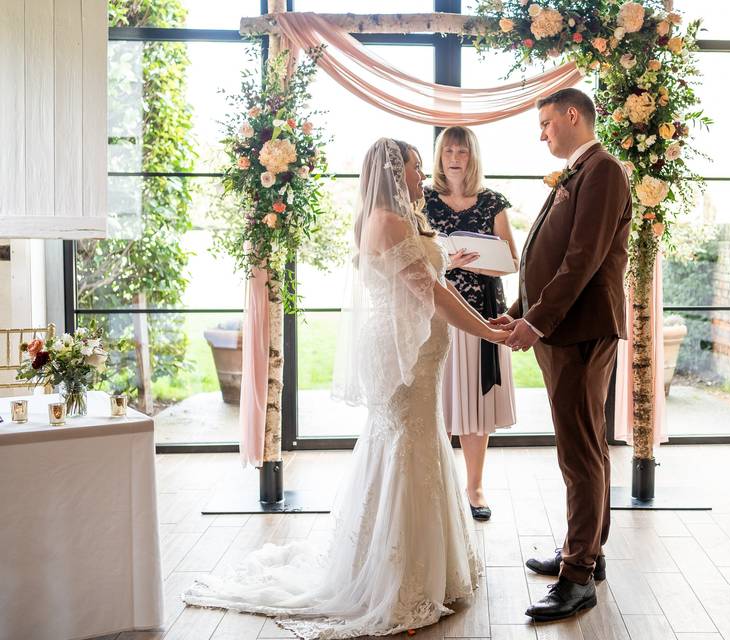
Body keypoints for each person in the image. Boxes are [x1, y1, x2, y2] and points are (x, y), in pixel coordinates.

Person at [184, 138, 510, 639]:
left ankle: (422, 567)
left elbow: (429, 287)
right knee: (408, 441)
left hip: (417, 347)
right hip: (406, 350)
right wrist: (488, 329)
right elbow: (434, 292)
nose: (421, 175)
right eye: (415, 166)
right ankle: (400, 576)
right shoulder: (388, 221)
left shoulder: (396, 217)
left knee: (413, 439)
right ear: (391, 171)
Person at [492, 88, 632, 622]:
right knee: (586, 446)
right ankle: (586, 553)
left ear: (574, 116)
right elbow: (543, 256)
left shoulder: (604, 171)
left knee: (579, 451)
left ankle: (577, 578)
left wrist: (538, 321)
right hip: (561, 328)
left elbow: (582, 259)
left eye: (547, 122)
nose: (542, 133)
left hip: (579, 330)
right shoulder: (580, 171)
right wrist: (519, 309)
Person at [424, 125, 520, 522]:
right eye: (448, 150)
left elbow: (513, 261)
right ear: (439, 155)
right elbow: (416, 253)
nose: (455, 157)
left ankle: (475, 485)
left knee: (476, 403)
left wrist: (478, 261)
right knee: (439, 400)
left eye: (462, 150)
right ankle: (437, 485)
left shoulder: (493, 201)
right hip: (436, 311)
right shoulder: (424, 198)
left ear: (472, 155)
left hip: (482, 310)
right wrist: (448, 260)